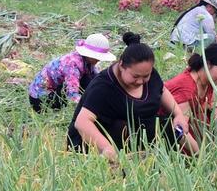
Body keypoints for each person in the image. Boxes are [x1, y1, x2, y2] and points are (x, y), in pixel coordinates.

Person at [67, 32, 188, 165]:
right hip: (96, 143)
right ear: (121, 65)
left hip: (133, 137)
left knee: (166, 126)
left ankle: (196, 159)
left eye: (146, 76)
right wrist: (106, 148)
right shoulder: (103, 86)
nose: (141, 81)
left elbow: (161, 89)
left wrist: (178, 114)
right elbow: (82, 122)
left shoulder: (148, 73)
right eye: (135, 76)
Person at [160, 43, 217, 163]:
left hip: (191, 126)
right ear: (207, 64)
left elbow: (211, 102)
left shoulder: (208, 81)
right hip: (168, 131)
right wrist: (202, 156)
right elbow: (180, 132)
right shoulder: (187, 87)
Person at [28, 33, 116, 113]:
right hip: (40, 100)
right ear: (89, 54)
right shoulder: (72, 66)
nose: (98, 60)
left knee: (91, 81)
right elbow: (72, 94)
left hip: (55, 89)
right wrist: (91, 107)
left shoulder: (87, 61)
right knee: (82, 88)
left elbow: (96, 78)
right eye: (97, 57)